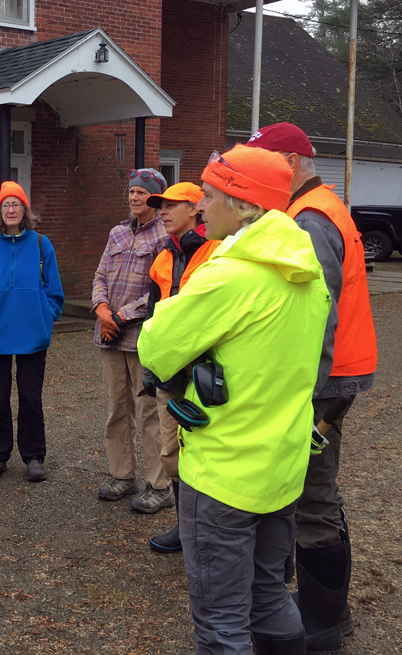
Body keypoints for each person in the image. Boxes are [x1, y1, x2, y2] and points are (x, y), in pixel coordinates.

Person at [138, 145, 331, 655]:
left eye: (211, 195)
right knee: (268, 594)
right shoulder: (306, 274)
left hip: (224, 472)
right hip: (281, 467)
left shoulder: (230, 275)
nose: (200, 206)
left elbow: (154, 346)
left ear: (244, 206)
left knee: (221, 621)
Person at [246, 122, 378, 653]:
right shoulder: (320, 208)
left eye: (264, 164)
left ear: (292, 163)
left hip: (323, 382)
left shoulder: (308, 220)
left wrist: (300, 390)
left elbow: (315, 315)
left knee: (312, 497)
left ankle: (322, 624)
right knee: (319, 492)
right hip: (338, 375)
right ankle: (331, 612)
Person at [137, 182, 221, 551]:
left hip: (204, 375)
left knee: (207, 453)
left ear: (196, 208)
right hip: (170, 376)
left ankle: (209, 530)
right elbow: (154, 322)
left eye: (172, 204)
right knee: (171, 451)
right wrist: (152, 372)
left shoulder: (216, 252)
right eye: (162, 206)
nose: (164, 211)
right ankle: (186, 529)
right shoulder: (162, 259)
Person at [0, 181, 64, 483]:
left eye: (16, 204)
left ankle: (34, 455)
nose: (11, 209)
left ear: (24, 210)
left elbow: (55, 292)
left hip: (32, 337)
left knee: (31, 398)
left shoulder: (40, 244)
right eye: (6, 204)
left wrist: (44, 318)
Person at [91, 169, 173, 513]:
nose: (135, 197)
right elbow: (99, 276)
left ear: (155, 198)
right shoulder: (117, 233)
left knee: (150, 412)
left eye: (142, 192)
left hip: (140, 339)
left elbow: (157, 290)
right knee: (117, 410)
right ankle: (122, 475)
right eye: (132, 192)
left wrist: (121, 317)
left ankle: (160, 484)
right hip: (108, 336)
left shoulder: (165, 236)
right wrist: (101, 308)